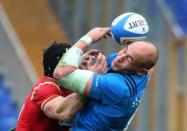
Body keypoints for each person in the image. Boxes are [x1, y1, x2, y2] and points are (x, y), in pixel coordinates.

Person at [53, 27, 159, 130]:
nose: (120, 57)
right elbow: (149, 62)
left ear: (141, 71)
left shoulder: (117, 86)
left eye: (129, 58)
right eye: (125, 50)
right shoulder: (143, 74)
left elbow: (61, 73)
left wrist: (89, 37)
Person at [16, 41, 107, 131]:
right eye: (72, 61)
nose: (75, 65)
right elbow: (64, 112)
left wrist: (79, 63)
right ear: (60, 68)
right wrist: (90, 80)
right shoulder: (45, 88)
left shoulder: (68, 85)